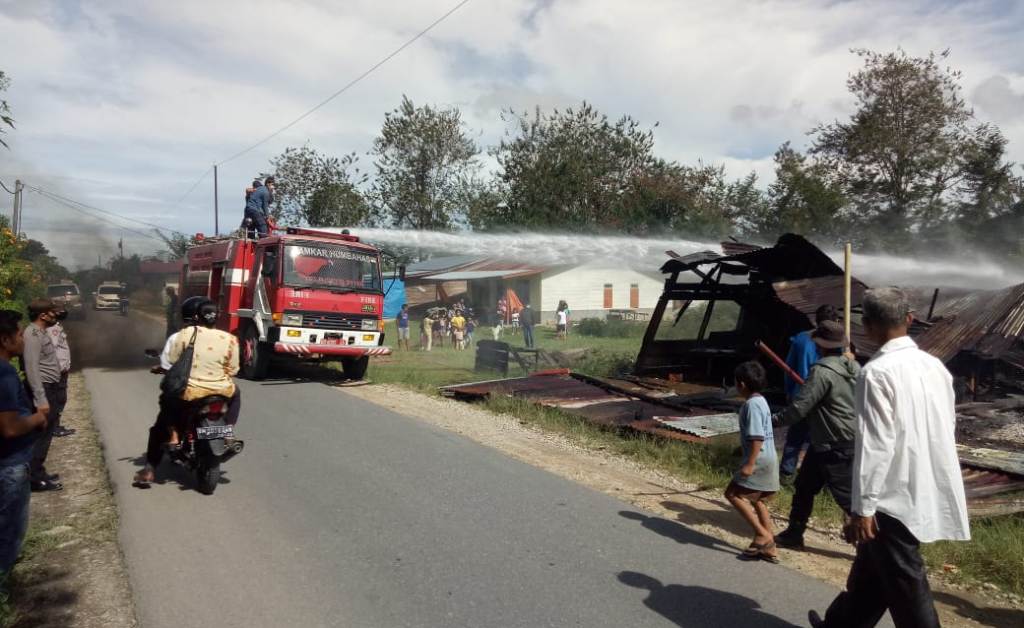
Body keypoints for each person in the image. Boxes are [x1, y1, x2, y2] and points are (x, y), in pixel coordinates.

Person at [809, 288, 970, 628]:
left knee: (906, 582)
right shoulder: (935, 367)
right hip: (923, 482)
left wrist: (863, 508)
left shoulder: (876, 372)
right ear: (909, 319)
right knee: (871, 572)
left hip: (891, 496)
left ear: (867, 325)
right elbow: (946, 426)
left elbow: (875, 445)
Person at [133, 297, 241, 486]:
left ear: (195, 316)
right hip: (221, 390)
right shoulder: (230, 339)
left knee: (164, 413)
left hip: (190, 391)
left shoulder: (183, 335)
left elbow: (170, 362)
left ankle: (152, 467)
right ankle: (228, 431)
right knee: (236, 393)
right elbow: (233, 370)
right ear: (217, 317)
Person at [773, 320, 859, 550]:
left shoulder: (821, 372)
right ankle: (794, 534)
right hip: (833, 440)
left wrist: (773, 421)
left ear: (820, 345)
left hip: (833, 442)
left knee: (848, 499)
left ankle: (874, 548)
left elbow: (799, 408)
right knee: (804, 486)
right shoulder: (855, 367)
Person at [0, 309, 48, 577]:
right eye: (19, 335)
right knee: (9, 531)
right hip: (11, 464)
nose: (23, 339)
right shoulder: (5, 374)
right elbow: (9, 427)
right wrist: (37, 418)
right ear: (5, 340)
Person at [725, 360, 780, 564]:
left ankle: (762, 534)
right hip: (769, 457)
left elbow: (757, 436)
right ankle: (770, 547)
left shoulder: (751, 405)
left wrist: (749, 463)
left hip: (759, 459)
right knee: (758, 500)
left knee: (732, 494)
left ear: (741, 384)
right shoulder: (762, 400)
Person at [780, 304, 840, 483]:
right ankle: (812, 478)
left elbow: (789, 369)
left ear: (816, 320)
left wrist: (789, 391)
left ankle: (787, 474)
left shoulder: (801, 339)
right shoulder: (837, 345)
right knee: (820, 440)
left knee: (796, 437)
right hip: (824, 398)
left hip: (802, 396)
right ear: (836, 322)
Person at [22, 299, 65, 492]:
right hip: (44, 390)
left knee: (46, 432)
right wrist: (40, 399)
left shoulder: (40, 332)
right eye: (52, 312)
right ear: (43, 315)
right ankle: (34, 478)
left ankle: (38, 470)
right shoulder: (32, 335)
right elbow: (31, 369)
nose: (56, 315)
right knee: (41, 434)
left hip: (50, 387)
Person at [45, 309, 75, 438]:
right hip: (57, 371)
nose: (62, 311)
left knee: (59, 398)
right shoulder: (53, 329)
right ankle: (53, 427)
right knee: (58, 398)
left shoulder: (56, 326)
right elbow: (52, 349)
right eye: (57, 310)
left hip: (60, 370)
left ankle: (55, 425)